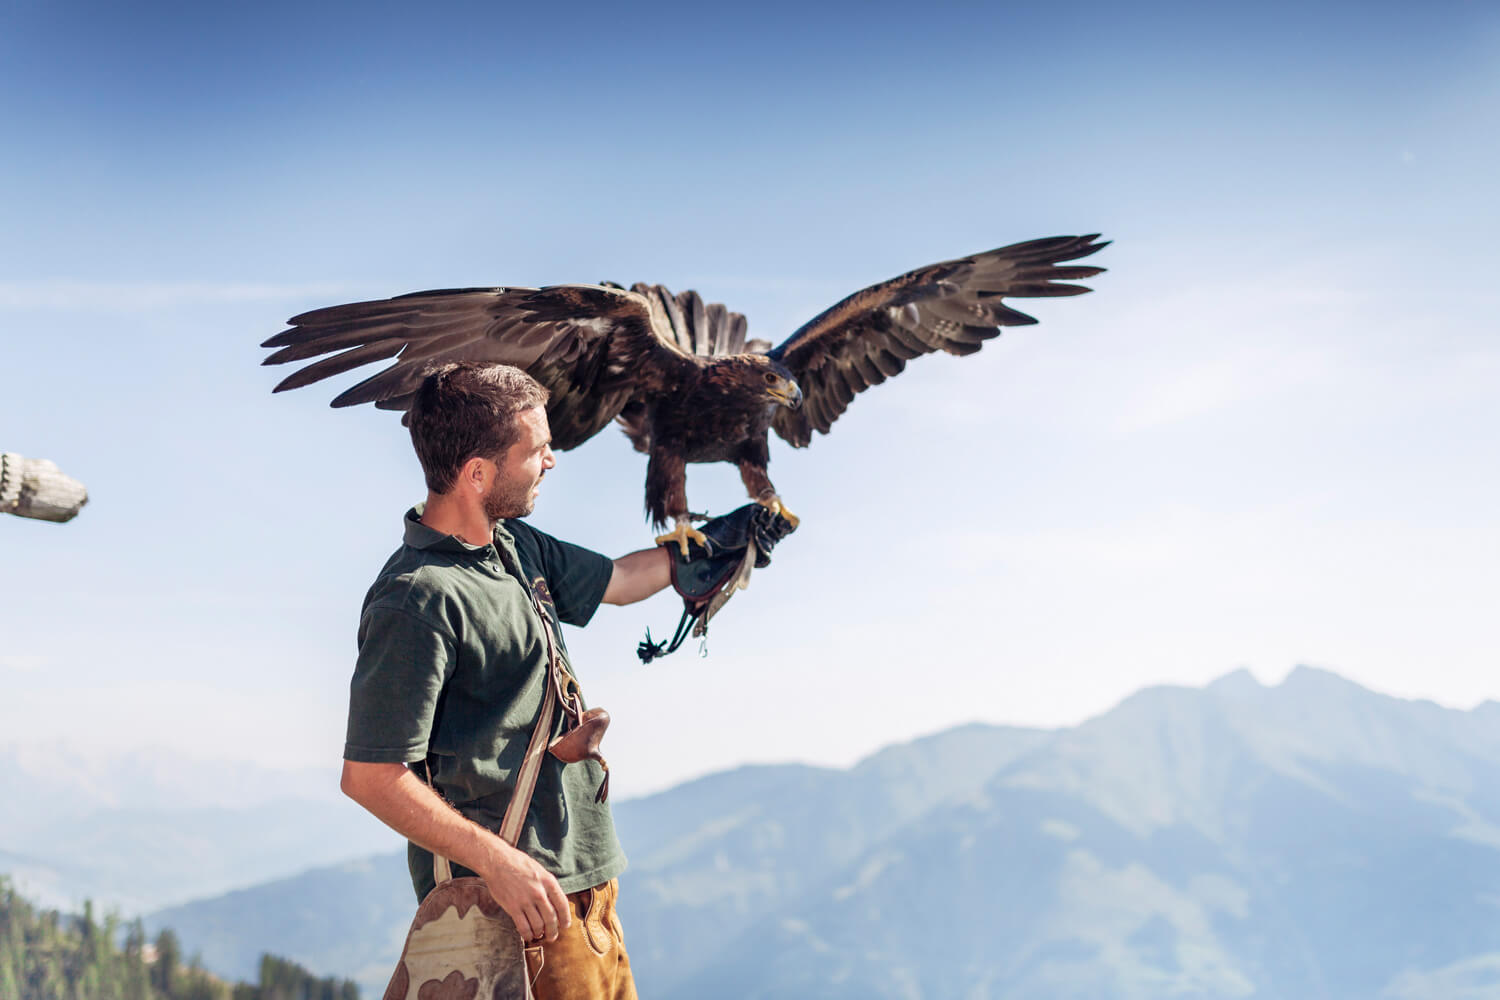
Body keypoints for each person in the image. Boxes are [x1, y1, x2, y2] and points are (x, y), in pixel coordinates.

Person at [339, 362, 791, 1000]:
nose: (551, 462)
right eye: (538, 450)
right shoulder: (417, 599)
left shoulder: (515, 546)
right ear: (478, 473)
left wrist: (719, 541)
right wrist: (499, 863)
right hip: (516, 913)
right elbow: (371, 776)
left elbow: (621, 581)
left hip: (591, 890)